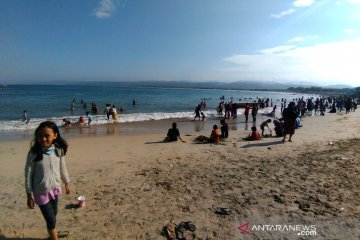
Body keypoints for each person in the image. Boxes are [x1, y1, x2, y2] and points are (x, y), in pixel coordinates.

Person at [24, 121, 71, 240]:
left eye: (47, 136)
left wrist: (67, 182)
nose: (43, 139)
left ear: (55, 135)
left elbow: (62, 167)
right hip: (40, 192)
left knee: (53, 214)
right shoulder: (34, 153)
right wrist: (29, 194)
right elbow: (28, 174)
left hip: (55, 189)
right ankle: (54, 236)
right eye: (40, 136)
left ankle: (52, 233)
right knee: (50, 218)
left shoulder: (58, 150)